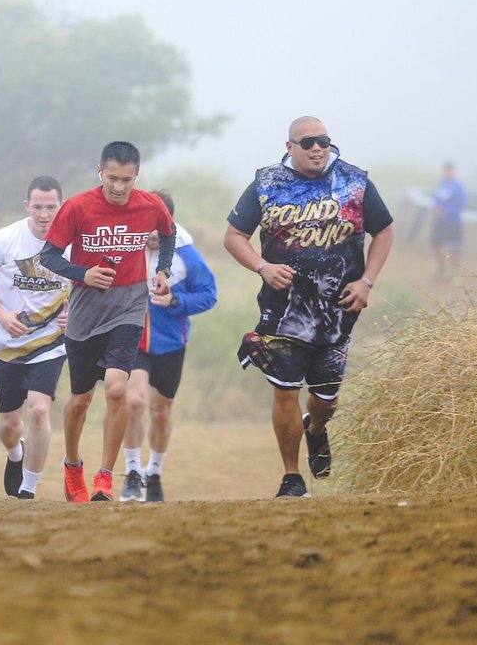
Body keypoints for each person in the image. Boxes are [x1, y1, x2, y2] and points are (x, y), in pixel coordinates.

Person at [224, 117, 393, 498]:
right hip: (282, 310)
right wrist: (263, 267)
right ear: (290, 147)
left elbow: (383, 230)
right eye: (307, 143)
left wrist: (366, 282)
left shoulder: (354, 182)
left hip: (338, 310)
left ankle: (315, 429)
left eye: (323, 142)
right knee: (285, 389)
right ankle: (291, 477)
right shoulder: (267, 183)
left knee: (326, 399)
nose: (317, 149)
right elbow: (234, 236)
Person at [39, 141, 175, 502]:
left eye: (126, 180)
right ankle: (72, 465)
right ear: (100, 171)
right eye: (112, 178)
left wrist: (163, 270)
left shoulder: (151, 205)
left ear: (137, 176)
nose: (118, 187)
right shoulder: (77, 207)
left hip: (129, 306)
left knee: (117, 389)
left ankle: (104, 476)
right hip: (86, 311)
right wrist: (83, 273)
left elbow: (168, 234)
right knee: (80, 400)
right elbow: (49, 256)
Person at [0, 176, 71, 500]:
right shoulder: (6, 239)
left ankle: (29, 487)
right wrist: (1, 314)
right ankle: (16, 455)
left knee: (39, 410)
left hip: (51, 342)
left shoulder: (74, 242)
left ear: (61, 206)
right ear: (27, 205)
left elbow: (89, 282)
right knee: (9, 425)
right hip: (5, 344)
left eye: (51, 207)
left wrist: (76, 313)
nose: (44, 214)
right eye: (38, 207)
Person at [121, 190, 218, 503]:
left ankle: (154, 472)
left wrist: (177, 301)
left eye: (157, 224)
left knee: (160, 411)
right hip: (132, 339)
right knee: (134, 401)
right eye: (145, 221)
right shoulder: (126, 244)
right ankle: (132, 471)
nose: (150, 232)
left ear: (168, 222)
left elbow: (209, 295)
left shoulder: (187, 253)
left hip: (171, 343)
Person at [431, 161, 466, 276]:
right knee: (435, 243)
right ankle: (443, 268)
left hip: (453, 222)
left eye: (450, 170)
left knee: (455, 248)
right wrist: (437, 209)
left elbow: (461, 204)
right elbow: (437, 200)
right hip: (441, 222)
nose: (448, 172)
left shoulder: (459, 187)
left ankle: (455, 273)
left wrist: (446, 212)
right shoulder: (442, 184)